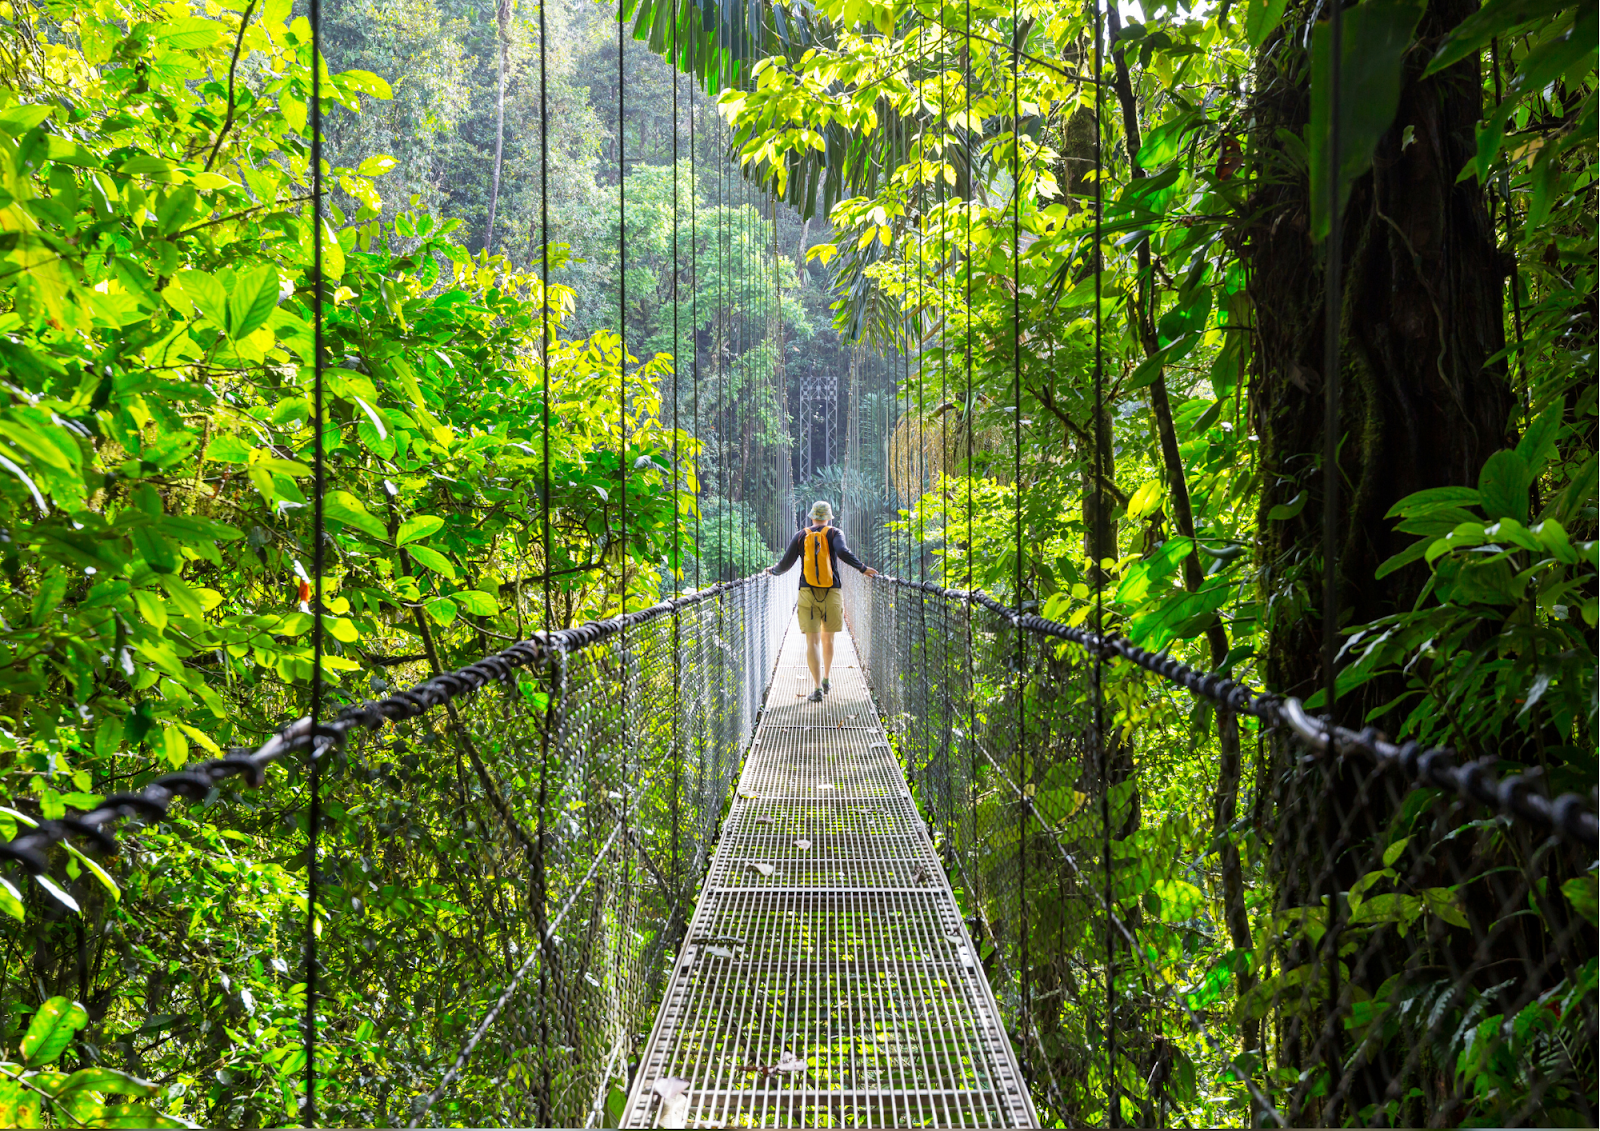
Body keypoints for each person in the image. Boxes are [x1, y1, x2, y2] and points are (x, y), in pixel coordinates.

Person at [766, 501, 878, 702]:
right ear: (829, 518)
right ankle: (826, 679)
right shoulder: (834, 533)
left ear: (811, 517)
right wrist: (862, 568)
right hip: (832, 592)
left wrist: (773, 571)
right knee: (829, 638)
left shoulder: (801, 535)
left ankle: (817, 688)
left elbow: (786, 563)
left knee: (812, 641)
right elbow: (842, 553)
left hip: (807, 592)